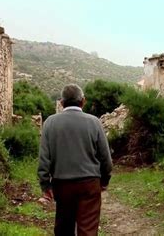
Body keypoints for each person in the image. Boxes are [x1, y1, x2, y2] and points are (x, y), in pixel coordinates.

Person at [37, 84, 113, 236]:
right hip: (90, 184)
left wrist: (46, 185)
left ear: (61, 103)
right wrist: (104, 181)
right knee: (88, 230)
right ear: (83, 101)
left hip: (62, 185)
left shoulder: (50, 123)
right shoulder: (94, 122)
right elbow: (105, 158)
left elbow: (44, 159)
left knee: (64, 229)